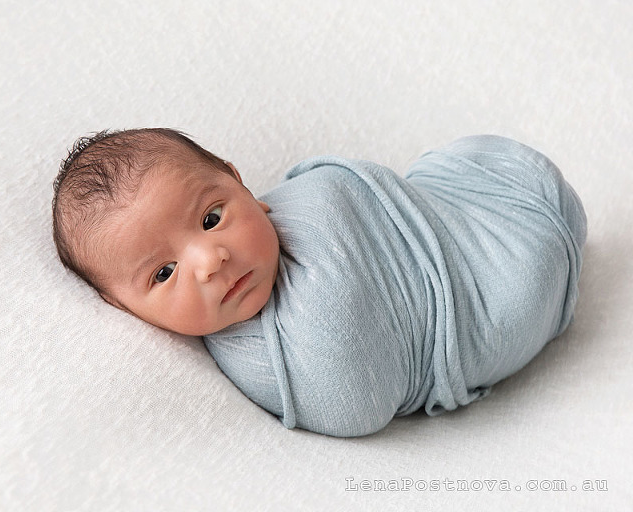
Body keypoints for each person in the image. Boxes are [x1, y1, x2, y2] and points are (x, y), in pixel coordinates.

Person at [52, 128, 587, 437]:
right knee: (526, 284)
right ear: (123, 309)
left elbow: (351, 194)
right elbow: (355, 405)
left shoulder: (310, 205)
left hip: (473, 219)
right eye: (164, 274)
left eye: (212, 216)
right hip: (510, 275)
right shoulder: (256, 357)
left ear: (240, 184)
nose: (210, 261)